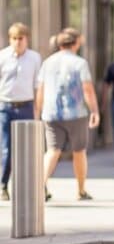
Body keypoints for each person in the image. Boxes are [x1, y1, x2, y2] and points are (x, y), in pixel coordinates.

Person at [37, 29, 99, 201]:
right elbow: (87, 89)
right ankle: (80, 190)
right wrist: (94, 110)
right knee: (79, 151)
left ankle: (40, 184)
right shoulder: (80, 63)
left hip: (51, 113)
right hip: (76, 113)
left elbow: (40, 90)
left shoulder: (47, 62)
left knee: (52, 150)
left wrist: (38, 111)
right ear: (75, 43)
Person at [0, 23, 41, 200]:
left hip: (26, 106)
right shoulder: (2, 57)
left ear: (27, 39)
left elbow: (38, 86)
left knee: (29, 148)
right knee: (7, 148)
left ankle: (32, 186)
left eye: (21, 38)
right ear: (10, 39)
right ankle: (3, 185)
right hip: (6, 106)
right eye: (15, 39)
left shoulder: (34, 58)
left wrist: (37, 110)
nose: (18, 42)